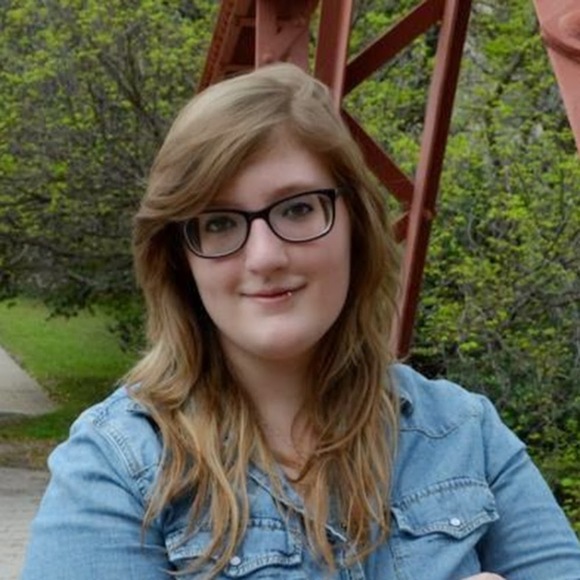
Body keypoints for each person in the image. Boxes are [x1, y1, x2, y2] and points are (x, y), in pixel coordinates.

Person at [22, 63, 580, 579]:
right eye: (219, 223)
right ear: (179, 258)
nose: (264, 256)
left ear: (356, 225)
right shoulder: (117, 464)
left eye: (297, 209)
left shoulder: (463, 434)